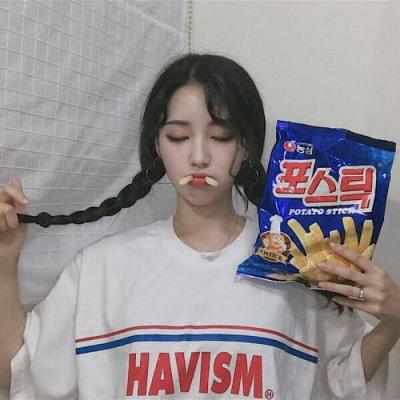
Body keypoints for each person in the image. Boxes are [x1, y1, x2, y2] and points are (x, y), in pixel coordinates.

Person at [0, 53, 399, 399]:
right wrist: (5, 258)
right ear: (157, 145)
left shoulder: (291, 261)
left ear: (245, 148)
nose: (199, 156)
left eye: (220, 136)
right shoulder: (102, 268)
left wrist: (396, 317)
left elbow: (343, 383)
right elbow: (17, 371)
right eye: (178, 136)